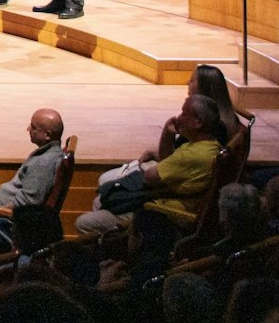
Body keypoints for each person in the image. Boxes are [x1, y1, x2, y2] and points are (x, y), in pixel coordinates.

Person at [75, 95, 228, 235]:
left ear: (198, 122)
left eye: (184, 113)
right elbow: (166, 159)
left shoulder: (192, 155)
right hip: (170, 201)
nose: (179, 117)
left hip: (161, 211)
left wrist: (152, 167)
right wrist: (168, 134)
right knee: (101, 200)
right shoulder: (208, 145)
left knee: (84, 222)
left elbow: (150, 178)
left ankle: (119, 254)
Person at [0, 109, 65, 252]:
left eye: (33, 127)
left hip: (6, 224)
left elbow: (27, 204)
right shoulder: (49, 154)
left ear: (47, 135)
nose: (28, 129)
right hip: (1, 214)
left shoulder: (42, 164)